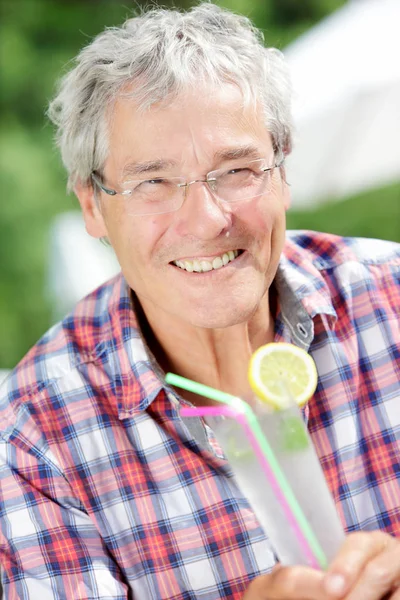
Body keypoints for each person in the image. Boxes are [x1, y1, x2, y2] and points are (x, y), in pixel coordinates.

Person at [0, 3, 399, 599]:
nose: (208, 220)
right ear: (92, 205)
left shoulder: (391, 298)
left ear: (283, 172)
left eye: (236, 170)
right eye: (153, 183)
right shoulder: (32, 437)